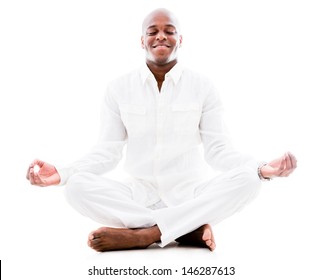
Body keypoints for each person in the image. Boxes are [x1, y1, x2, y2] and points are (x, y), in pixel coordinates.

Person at [26, 8, 297, 252]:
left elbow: (219, 151)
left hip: (190, 195)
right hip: (137, 197)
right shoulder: (118, 88)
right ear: (141, 40)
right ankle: (184, 229)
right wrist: (62, 174)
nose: (161, 36)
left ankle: (147, 235)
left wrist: (262, 169)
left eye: (170, 31)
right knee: (75, 187)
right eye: (152, 31)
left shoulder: (203, 86)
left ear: (181, 39)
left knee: (248, 181)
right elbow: (107, 152)